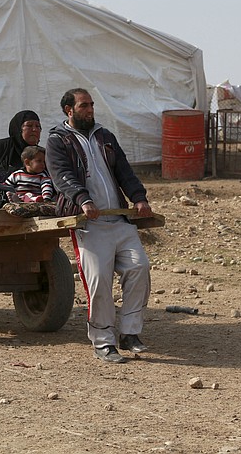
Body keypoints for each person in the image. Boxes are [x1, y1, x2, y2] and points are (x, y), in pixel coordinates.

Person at [45, 88, 154, 364]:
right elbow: (62, 176)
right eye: (84, 106)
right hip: (88, 225)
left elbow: (124, 171)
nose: (90, 110)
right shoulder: (58, 141)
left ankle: (130, 333)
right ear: (69, 110)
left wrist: (139, 198)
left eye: (91, 105)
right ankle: (104, 342)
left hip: (119, 220)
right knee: (99, 282)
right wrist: (83, 200)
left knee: (139, 267)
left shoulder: (105, 136)